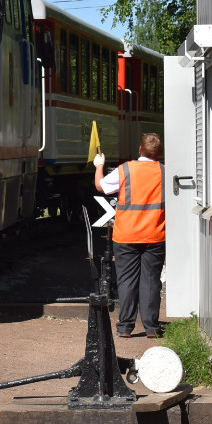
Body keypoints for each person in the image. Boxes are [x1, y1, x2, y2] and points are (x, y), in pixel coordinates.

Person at [93, 133, 166, 338]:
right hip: (154, 234)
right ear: (158, 153)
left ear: (140, 150)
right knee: (151, 281)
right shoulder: (163, 172)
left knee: (126, 280)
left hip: (126, 235)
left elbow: (101, 186)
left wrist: (99, 165)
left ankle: (125, 327)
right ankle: (151, 327)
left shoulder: (125, 170)